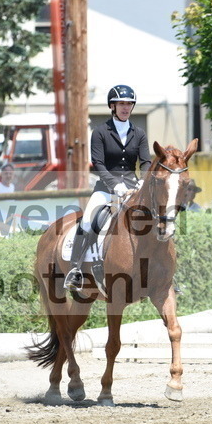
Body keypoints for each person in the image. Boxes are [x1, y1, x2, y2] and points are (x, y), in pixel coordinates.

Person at [65, 84, 152, 291]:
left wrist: (143, 180)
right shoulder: (101, 132)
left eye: (129, 104)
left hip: (134, 189)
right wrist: (115, 185)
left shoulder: (139, 133)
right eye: (121, 103)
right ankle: (75, 269)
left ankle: (165, 274)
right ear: (112, 106)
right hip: (105, 188)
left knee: (158, 220)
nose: (126, 108)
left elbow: (146, 161)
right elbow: (98, 164)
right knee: (87, 220)